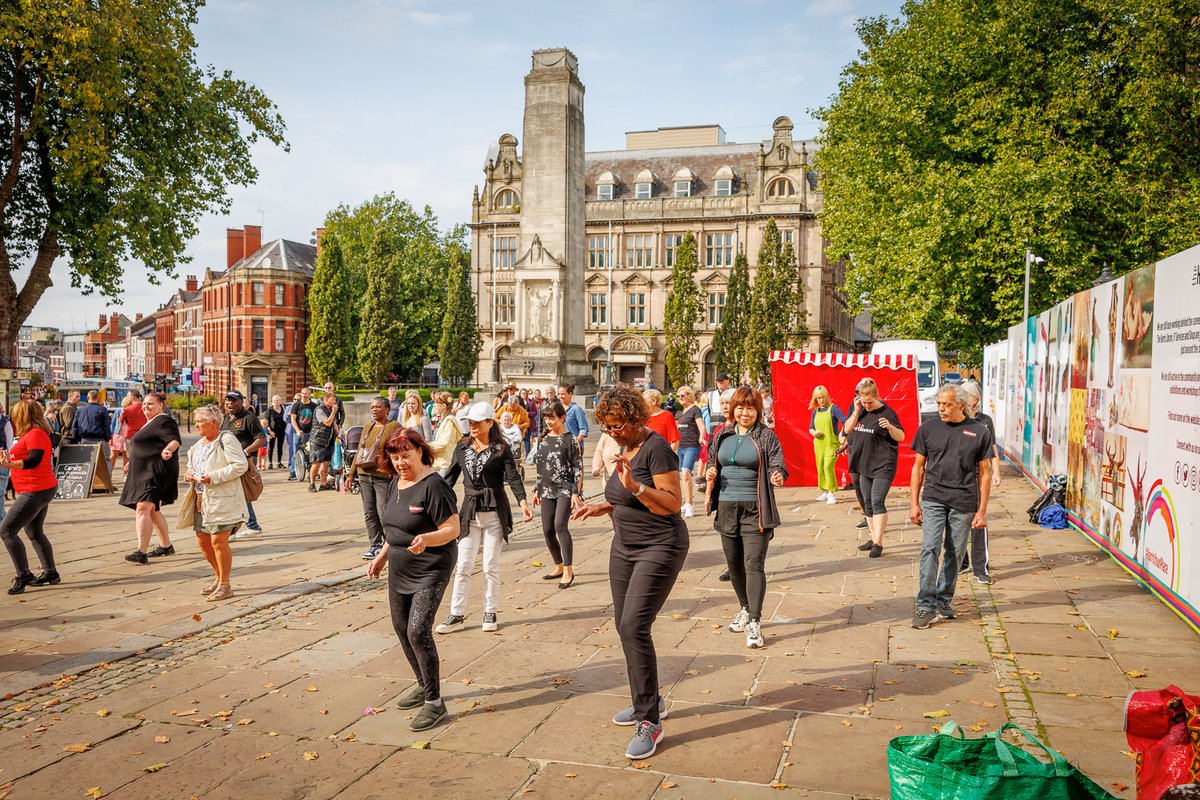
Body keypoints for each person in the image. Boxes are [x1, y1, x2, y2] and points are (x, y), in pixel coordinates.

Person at [571, 386, 687, 760]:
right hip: (624, 546)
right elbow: (622, 493)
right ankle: (649, 700)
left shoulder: (656, 448)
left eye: (618, 426)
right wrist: (603, 506)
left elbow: (671, 504)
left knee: (634, 626)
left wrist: (635, 486)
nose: (612, 433)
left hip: (660, 545)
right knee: (624, 623)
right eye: (607, 427)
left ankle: (649, 721)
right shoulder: (625, 446)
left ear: (637, 419)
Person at [366, 428, 461, 732]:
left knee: (418, 630)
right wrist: (382, 556)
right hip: (399, 565)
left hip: (431, 565)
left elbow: (452, 528)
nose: (400, 462)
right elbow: (394, 530)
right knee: (400, 628)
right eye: (394, 457)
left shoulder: (435, 486)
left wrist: (427, 538)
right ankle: (423, 684)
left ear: (420, 451)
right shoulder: (396, 482)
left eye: (405, 455)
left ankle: (434, 703)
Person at [436, 402, 532, 634]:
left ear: (490, 422)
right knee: (463, 566)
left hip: (495, 514)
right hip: (469, 512)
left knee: (490, 565)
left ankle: (490, 610)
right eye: (470, 423)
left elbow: (514, 478)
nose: (473, 426)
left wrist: (523, 503)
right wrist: (434, 503)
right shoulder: (462, 447)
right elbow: (448, 479)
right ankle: (457, 613)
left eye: (477, 423)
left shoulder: (501, 448)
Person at [704, 386, 787, 649]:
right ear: (732, 409)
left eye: (751, 408)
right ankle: (743, 607)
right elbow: (711, 461)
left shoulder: (766, 436)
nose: (745, 412)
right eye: (740, 407)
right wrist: (709, 472)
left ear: (758, 411)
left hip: (756, 509)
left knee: (753, 564)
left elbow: (778, 463)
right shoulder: (722, 434)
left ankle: (754, 621)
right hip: (727, 508)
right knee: (734, 564)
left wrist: (778, 475)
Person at [909, 384, 994, 628]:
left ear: (962, 405)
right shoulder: (928, 428)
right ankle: (925, 605)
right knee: (929, 548)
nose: (941, 409)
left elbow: (985, 473)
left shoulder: (979, 431)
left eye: (946, 405)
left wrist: (982, 511)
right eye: (939, 404)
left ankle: (944, 599)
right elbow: (918, 467)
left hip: (964, 501)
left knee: (955, 553)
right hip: (934, 497)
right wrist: (914, 503)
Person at [183, 405, 249, 601]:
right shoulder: (198, 445)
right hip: (200, 498)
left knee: (218, 541)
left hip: (222, 499)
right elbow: (191, 466)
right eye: (196, 421)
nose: (196, 425)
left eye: (200, 422)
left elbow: (240, 465)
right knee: (203, 542)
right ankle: (218, 577)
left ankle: (225, 585)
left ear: (214, 422)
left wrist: (213, 477)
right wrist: (188, 474)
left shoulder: (226, 439)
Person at [1, 400, 60, 594]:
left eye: (15, 414)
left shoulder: (35, 434)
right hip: (39, 487)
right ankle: (50, 572)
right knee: (34, 532)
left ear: (23, 415)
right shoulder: (31, 434)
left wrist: (10, 464)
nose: (12, 418)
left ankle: (23, 574)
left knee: (7, 531)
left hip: (35, 489)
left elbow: (33, 461)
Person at [841, 378, 905, 558]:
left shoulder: (887, 412)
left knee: (877, 501)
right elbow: (847, 430)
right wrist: (856, 411)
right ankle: (872, 536)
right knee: (867, 503)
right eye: (863, 402)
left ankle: (878, 542)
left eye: (869, 402)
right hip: (863, 464)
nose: (867, 405)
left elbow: (901, 436)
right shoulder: (859, 411)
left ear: (876, 396)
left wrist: (890, 427)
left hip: (883, 464)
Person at [119, 392, 182, 564]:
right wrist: (131, 462)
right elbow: (147, 446)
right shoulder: (150, 422)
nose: (146, 406)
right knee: (152, 511)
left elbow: (175, 440)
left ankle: (141, 551)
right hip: (143, 470)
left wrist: (168, 449)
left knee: (143, 507)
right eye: (144, 404)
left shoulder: (164, 420)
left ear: (161, 405)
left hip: (155, 471)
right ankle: (166, 546)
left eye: (150, 404)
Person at [534, 400, 584, 589]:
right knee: (547, 529)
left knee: (559, 526)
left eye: (552, 418)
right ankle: (558, 565)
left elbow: (578, 468)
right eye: (546, 418)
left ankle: (568, 570)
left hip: (565, 488)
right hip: (546, 489)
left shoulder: (570, 440)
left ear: (562, 418)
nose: (548, 422)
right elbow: (541, 466)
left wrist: (575, 492)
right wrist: (536, 489)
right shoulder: (544, 438)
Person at [959, 380, 1001, 584]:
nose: (965, 401)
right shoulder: (957, 421)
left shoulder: (985, 421)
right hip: (959, 477)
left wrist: (996, 472)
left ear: (976, 399)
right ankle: (961, 562)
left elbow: (992, 448)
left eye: (968, 397)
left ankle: (980, 567)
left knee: (978, 521)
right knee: (956, 523)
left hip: (978, 477)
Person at [352, 397, 401, 560]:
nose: (374, 410)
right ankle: (375, 545)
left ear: (387, 409)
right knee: (369, 512)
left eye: (378, 407)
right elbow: (360, 450)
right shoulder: (368, 427)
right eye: (372, 407)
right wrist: (351, 474)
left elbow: (400, 449)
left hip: (382, 476)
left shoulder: (394, 426)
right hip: (365, 474)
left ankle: (390, 543)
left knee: (383, 511)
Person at [221, 390, 266, 536]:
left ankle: (234, 528)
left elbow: (261, 439)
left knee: (238, 493)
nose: (230, 403)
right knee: (237, 493)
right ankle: (251, 525)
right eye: (228, 400)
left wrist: (245, 452)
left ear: (241, 402)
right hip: (227, 461)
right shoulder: (226, 417)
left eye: (233, 400)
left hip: (243, 461)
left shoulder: (249, 418)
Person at [809, 385, 847, 505]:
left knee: (828, 467)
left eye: (823, 397)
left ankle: (831, 493)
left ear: (827, 396)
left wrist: (843, 437)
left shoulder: (834, 409)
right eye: (818, 398)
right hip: (819, 444)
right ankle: (825, 491)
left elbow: (845, 421)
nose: (821, 400)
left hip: (832, 444)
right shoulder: (815, 412)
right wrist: (814, 433)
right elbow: (810, 428)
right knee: (820, 468)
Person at [672, 388, 707, 517]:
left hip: (691, 446)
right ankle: (686, 502)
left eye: (682, 395)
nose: (680, 398)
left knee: (686, 473)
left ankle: (690, 504)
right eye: (678, 396)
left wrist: (701, 437)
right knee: (682, 476)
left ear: (689, 396)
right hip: (681, 447)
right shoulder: (683, 412)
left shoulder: (695, 410)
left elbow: (701, 426)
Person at [308, 391, 339, 492]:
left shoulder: (330, 410)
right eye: (333, 400)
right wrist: (334, 412)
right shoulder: (319, 410)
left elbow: (334, 424)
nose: (335, 402)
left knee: (326, 463)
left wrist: (339, 434)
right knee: (316, 463)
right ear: (326, 400)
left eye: (335, 400)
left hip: (328, 441)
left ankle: (323, 484)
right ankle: (311, 484)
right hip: (318, 440)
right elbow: (327, 423)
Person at [428, 391, 463, 474]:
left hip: (445, 463)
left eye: (435, 403)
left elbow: (444, 443)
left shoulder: (449, 421)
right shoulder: (442, 419)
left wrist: (426, 445)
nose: (434, 405)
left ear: (443, 405)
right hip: (439, 462)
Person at [289, 387, 317, 480]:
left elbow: (316, 420)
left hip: (310, 432)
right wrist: (297, 430)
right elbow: (293, 419)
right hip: (299, 432)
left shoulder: (314, 406)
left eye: (305, 393)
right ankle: (293, 472)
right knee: (295, 451)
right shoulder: (296, 405)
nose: (304, 395)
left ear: (310, 395)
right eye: (302, 393)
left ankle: (310, 471)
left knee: (311, 452)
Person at [73, 390, 112, 454]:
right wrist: (108, 438)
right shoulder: (102, 410)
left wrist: (78, 439)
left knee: (86, 461)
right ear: (97, 398)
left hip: (85, 440)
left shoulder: (79, 411)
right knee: (105, 460)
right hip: (99, 440)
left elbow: (75, 427)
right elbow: (106, 426)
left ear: (87, 398)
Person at [557, 383, 589, 455]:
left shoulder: (576, 409)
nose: (560, 396)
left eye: (563, 394)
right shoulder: (558, 409)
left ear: (570, 394)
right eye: (559, 394)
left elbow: (584, 429)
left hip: (574, 447)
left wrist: (575, 442)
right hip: (560, 446)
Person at [265, 395, 289, 469]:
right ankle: (270, 463)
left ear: (280, 401)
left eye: (277, 400)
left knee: (280, 447)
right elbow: (266, 422)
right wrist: (270, 431)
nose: (276, 402)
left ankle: (279, 462)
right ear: (272, 402)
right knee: (271, 447)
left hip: (281, 431)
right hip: (272, 431)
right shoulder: (269, 410)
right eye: (274, 400)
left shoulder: (283, 409)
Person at [0, 403, 12, 517]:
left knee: (0, 492)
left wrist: (10, 463)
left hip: (1, 460)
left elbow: (9, 443)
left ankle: (2, 520)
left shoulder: (5, 422)